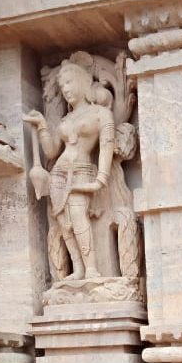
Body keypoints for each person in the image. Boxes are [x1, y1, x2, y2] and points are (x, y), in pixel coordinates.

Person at [24, 60, 114, 280]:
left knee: (78, 216)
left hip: (81, 169)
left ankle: (91, 268)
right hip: (58, 174)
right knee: (64, 223)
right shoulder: (66, 119)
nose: (65, 89)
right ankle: (79, 268)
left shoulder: (101, 114)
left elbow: (106, 147)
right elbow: (52, 151)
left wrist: (100, 179)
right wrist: (42, 125)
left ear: (82, 81)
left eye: (69, 82)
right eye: (62, 85)